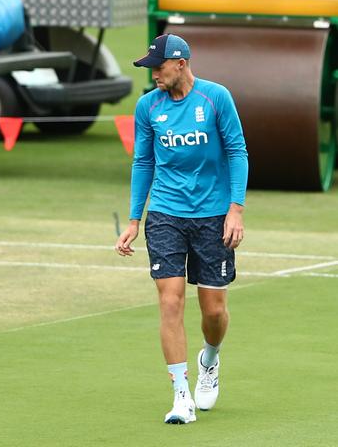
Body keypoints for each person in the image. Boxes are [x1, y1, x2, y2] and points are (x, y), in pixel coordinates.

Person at [115, 33, 248, 424]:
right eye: (150, 67)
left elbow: (237, 151)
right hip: (166, 214)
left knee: (214, 310)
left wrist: (235, 210)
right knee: (170, 301)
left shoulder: (215, 98)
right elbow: (143, 163)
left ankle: (210, 357)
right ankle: (181, 396)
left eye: (158, 66)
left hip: (212, 215)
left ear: (181, 64)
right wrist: (135, 219)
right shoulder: (147, 107)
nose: (153, 73)